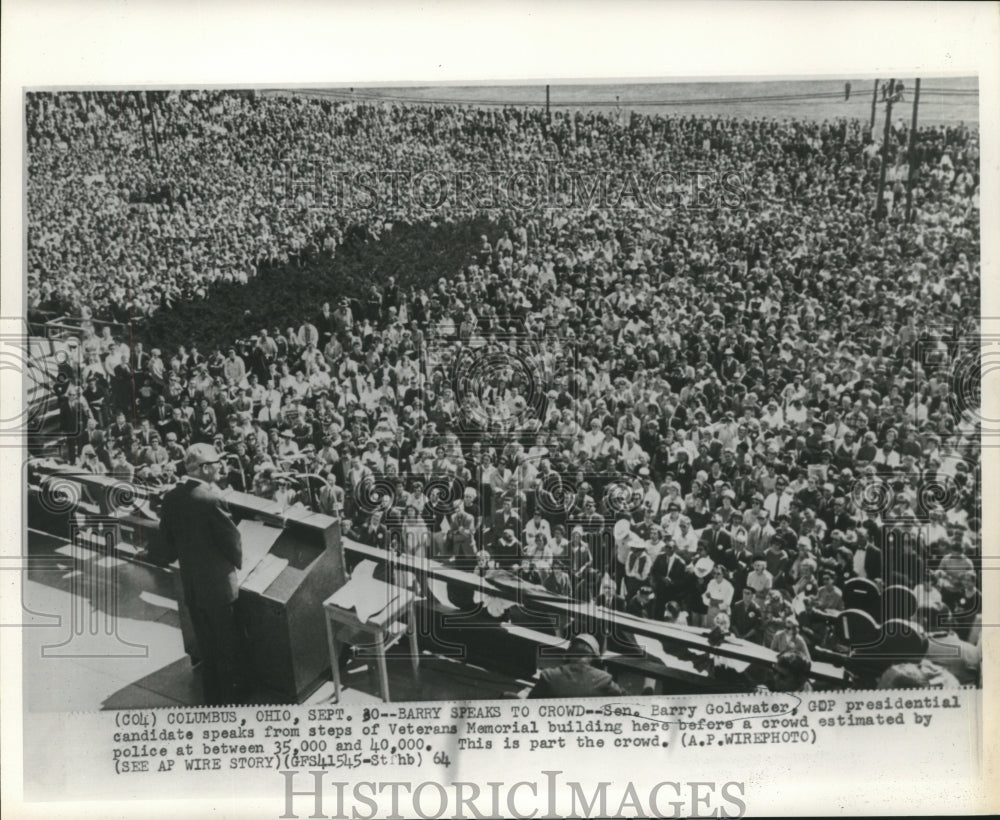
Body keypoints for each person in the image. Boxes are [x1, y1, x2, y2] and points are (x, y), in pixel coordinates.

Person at [157, 443, 246, 705]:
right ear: (205, 468)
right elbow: (232, 540)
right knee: (229, 647)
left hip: (193, 586)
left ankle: (213, 699)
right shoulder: (211, 498)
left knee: (208, 647)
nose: (220, 466)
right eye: (217, 463)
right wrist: (240, 562)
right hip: (219, 588)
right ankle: (235, 701)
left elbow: (167, 543)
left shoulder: (172, 498)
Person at [528, 633, 624, 699]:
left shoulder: (549, 676)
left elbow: (530, 703)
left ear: (567, 655)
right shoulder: (604, 680)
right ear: (595, 660)